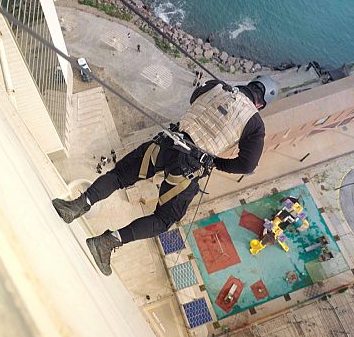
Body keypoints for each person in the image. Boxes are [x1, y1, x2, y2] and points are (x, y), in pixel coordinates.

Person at [52, 75, 278, 275]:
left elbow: (195, 99)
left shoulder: (217, 86)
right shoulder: (255, 123)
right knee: (162, 219)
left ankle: (74, 207)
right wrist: (216, 162)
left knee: (119, 176)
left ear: (251, 84)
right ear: (261, 103)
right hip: (190, 168)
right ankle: (107, 242)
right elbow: (247, 166)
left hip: (167, 143)